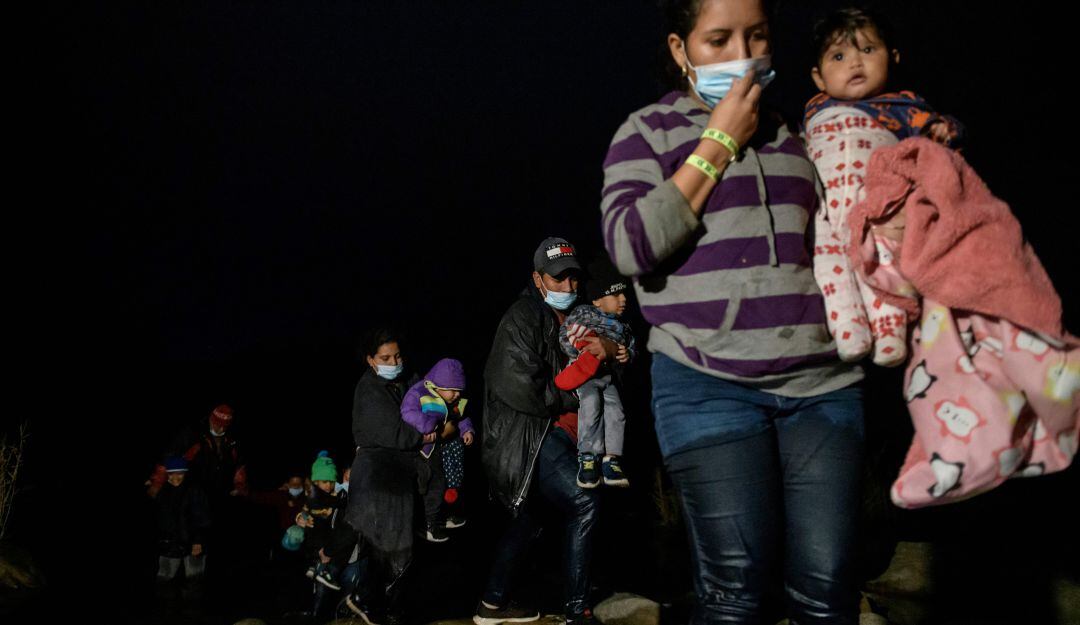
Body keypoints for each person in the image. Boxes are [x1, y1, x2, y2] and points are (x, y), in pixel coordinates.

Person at [600, 0, 866, 622]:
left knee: (828, 590)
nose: (742, 56)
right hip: (706, 385)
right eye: (719, 40)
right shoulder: (646, 132)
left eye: (758, 36)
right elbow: (630, 246)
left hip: (824, 386)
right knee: (733, 595)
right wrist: (719, 141)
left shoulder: (798, 132)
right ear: (680, 49)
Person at [802, 6, 962, 366]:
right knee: (828, 265)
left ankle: (890, 332)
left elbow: (945, 138)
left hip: (877, 207)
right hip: (824, 210)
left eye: (868, 50)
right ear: (818, 77)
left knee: (882, 262)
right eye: (838, 56)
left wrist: (943, 131)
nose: (855, 63)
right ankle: (849, 331)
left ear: (893, 57)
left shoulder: (903, 107)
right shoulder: (812, 111)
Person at [474, 237, 616, 625]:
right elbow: (522, 387)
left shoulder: (580, 316)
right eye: (557, 278)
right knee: (585, 500)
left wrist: (613, 351)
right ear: (538, 279)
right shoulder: (522, 317)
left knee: (530, 520)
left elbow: (605, 363)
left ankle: (492, 605)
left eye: (573, 277)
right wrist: (576, 396)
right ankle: (577, 611)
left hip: (568, 435)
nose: (568, 286)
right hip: (527, 439)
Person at [343, 328, 434, 625]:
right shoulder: (369, 390)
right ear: (371, 360)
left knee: (402, 547)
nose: (394, 362)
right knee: (387, 546)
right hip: (378, 477)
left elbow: (432, 401)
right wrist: (428, 433)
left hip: (401, 475)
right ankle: (370, 603)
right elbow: (397, 433)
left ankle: (389, 608)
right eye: (385, 358)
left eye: (397, 356)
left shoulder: (409, 379)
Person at [554, 257, 636, 488]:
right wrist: (579, 346)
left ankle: (612, 459)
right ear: (598, 300)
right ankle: (588, 457)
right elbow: (565, 335)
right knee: (591, 406)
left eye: (624, 294)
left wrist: (627, 354)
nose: (623, 299)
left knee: (616, 411)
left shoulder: (623, 326)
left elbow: (631, 347)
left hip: (607, 376)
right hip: (586, 375)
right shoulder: (584, 313)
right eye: (615, 295)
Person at [401, 357, 475, 536]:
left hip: (445, 450)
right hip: (423, 452)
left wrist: (467, 430)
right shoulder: (420, 392)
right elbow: (407, 411)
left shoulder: (455, 401)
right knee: (430, 486)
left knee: (450, 483)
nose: (457, 395)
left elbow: (462, 416)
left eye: (459, 391)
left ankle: (442, 518)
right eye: (452, 390)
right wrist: (427, 424)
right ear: (438, 385)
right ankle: (428, 524)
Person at [154, 456, 211, 589]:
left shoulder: (195, 490)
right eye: (171, 474)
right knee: (164, 579)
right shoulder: (163, 491)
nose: (175, 478)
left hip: (193, 544)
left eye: (179, 473)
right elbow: (160, 518)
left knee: (194, 580)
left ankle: (193, 601)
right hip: (169, 545)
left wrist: (198, 541)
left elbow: (203, 517)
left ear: (185, 473)